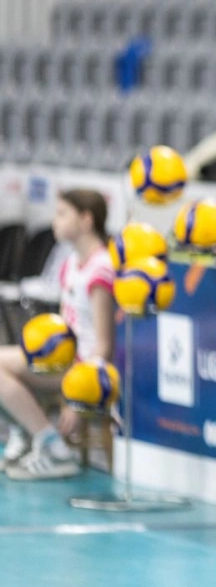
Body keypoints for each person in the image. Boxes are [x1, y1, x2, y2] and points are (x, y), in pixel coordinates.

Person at [1, 190, 115, 480]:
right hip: (64, 358)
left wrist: (78, 394)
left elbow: (104, 346)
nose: (55, 221)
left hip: (86, 369)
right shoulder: (71, 263)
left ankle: (53, 447)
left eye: (63, 214)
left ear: (86, 220)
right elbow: (65, 327)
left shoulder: (101, 268)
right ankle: (26, 433)